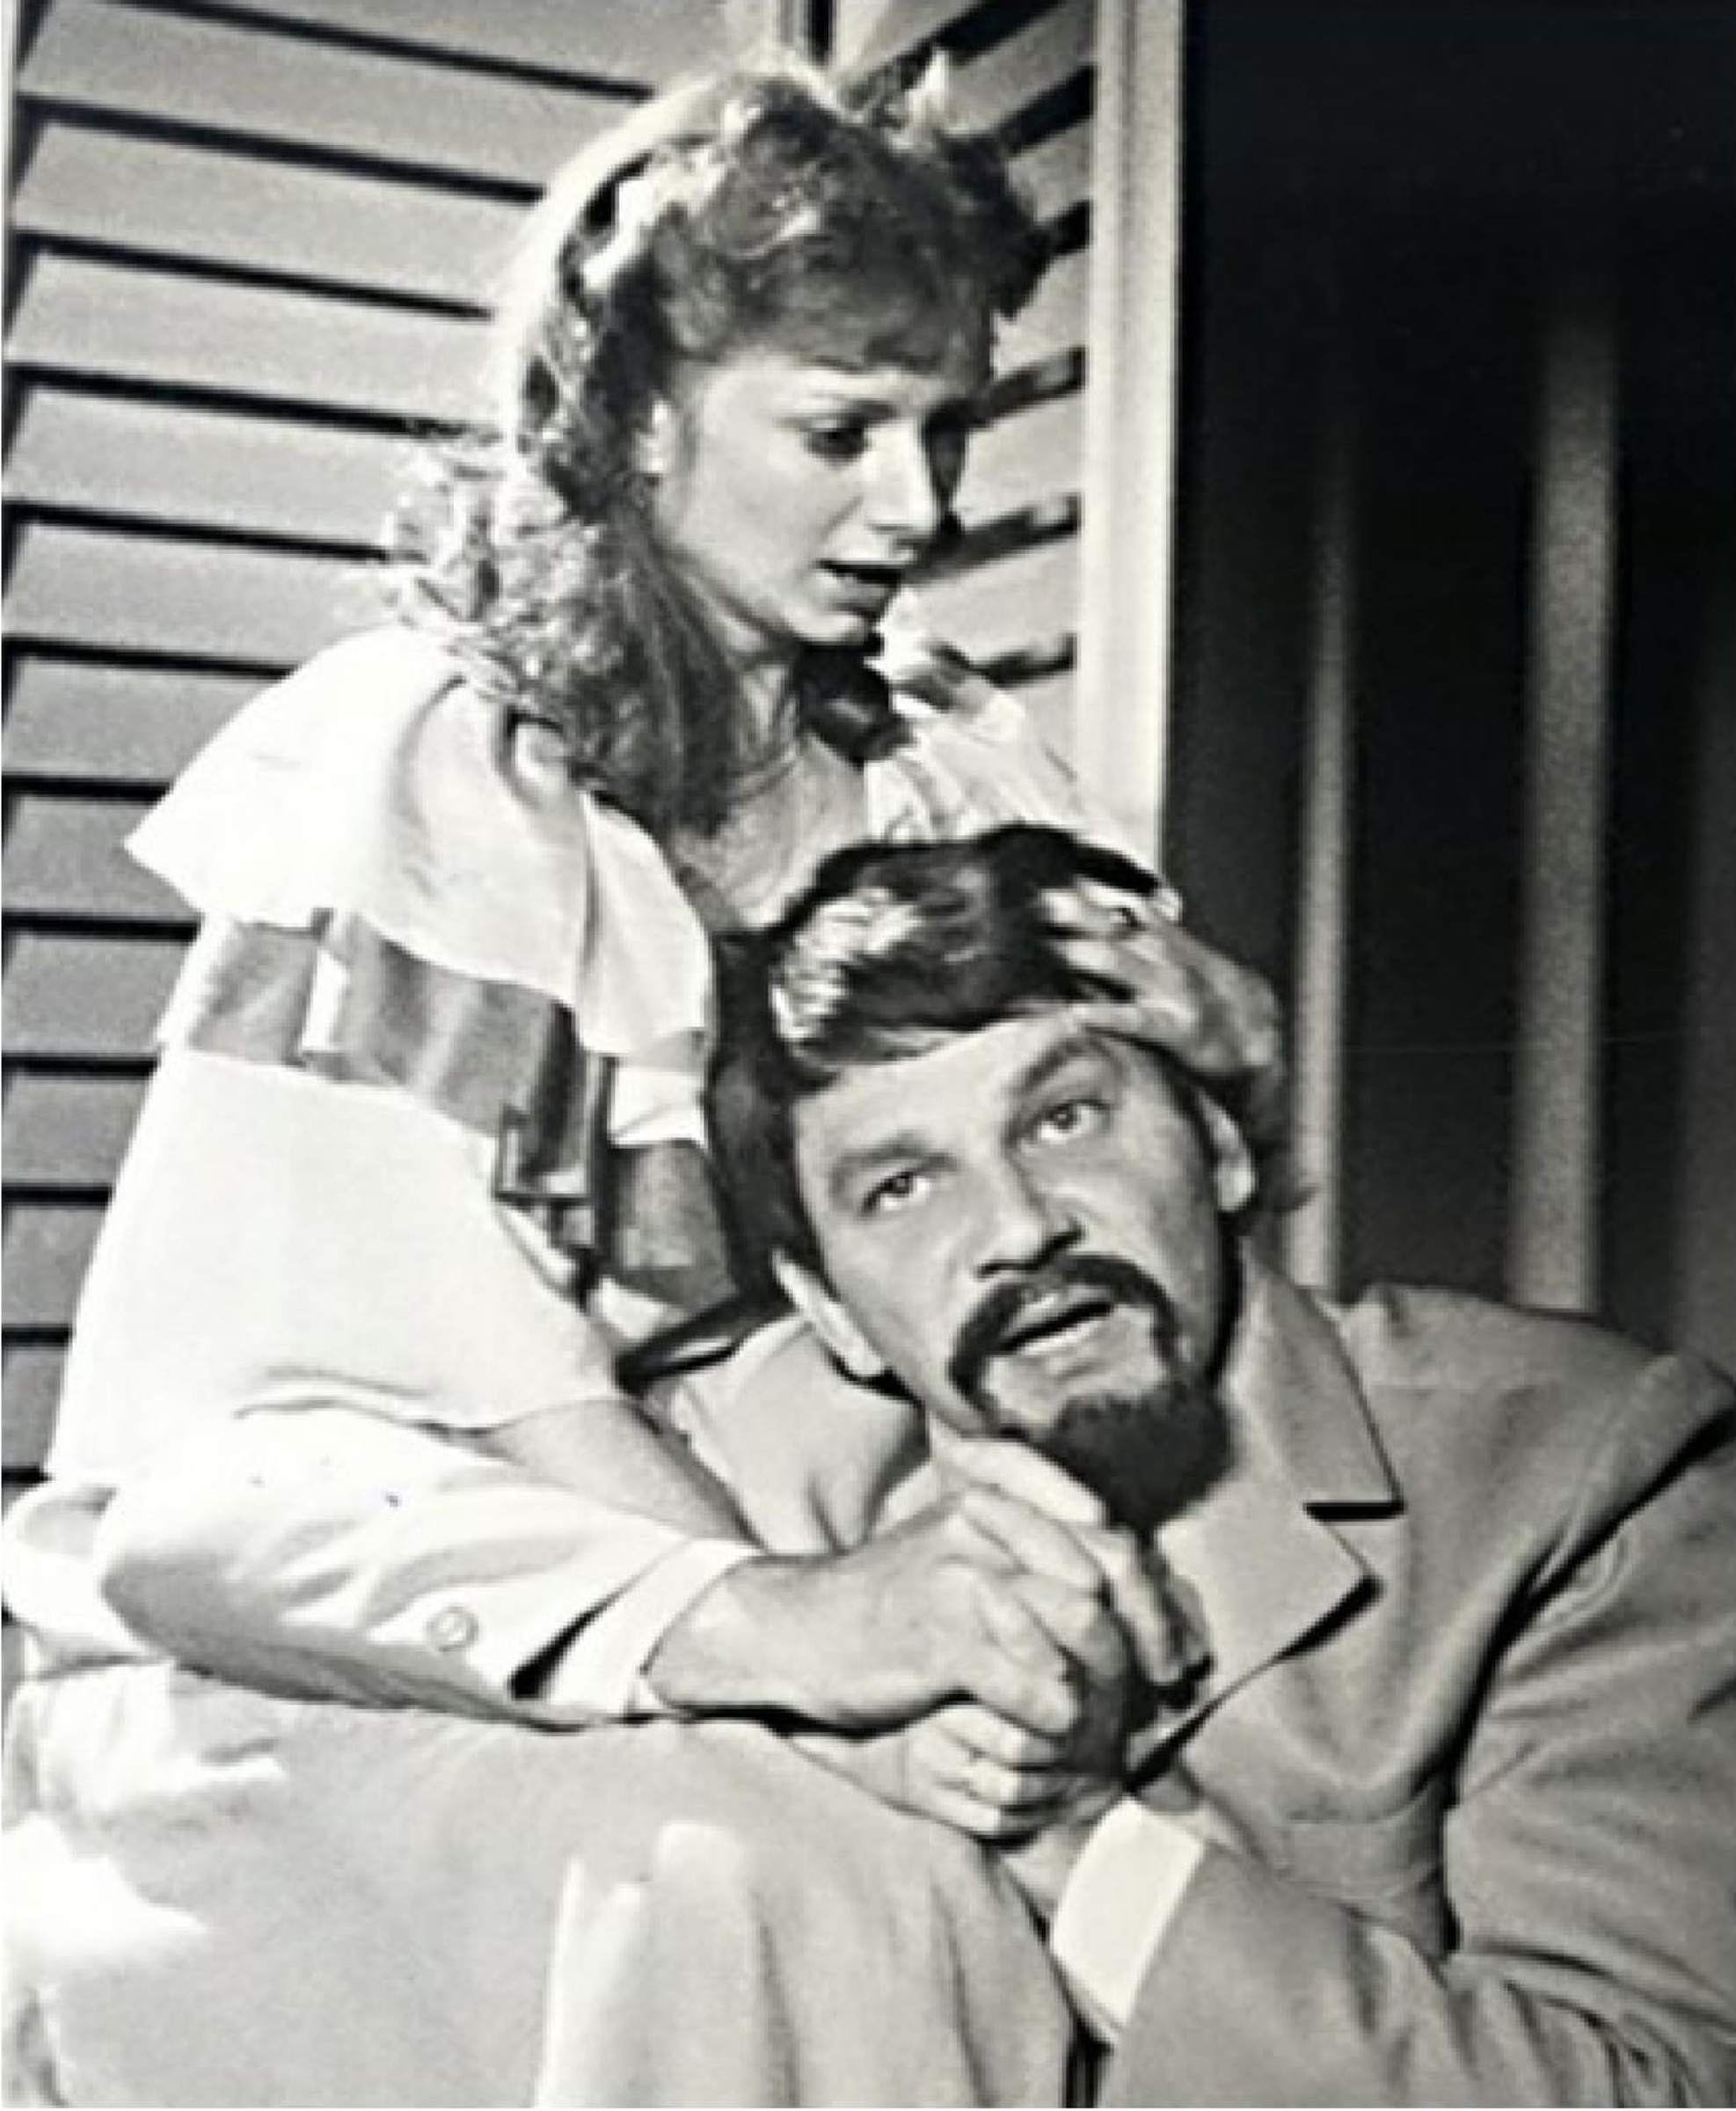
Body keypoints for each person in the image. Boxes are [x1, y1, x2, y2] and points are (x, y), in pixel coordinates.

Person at [2, 59, 1278, 2108]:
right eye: (841, 433)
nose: (923, 510)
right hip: (372, 1620)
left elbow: (1079, 1224)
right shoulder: (441, 780)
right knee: (811, 1896)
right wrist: (836, 1661)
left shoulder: (947, 766)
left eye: (949, 429)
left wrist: (1227, 1073)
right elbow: (481, 1418)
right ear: (640, 417)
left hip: (815, 1572)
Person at [661, 821, 1734, 2107]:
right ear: (827, 1309)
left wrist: (1070, 1838)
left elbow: (1647, 2091)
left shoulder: (1582, 1469)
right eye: (901, 1188)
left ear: (1218, 1148)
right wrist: (799, 1663)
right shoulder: (739, 1483)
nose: (1018, 1229)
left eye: (1063, 1120)